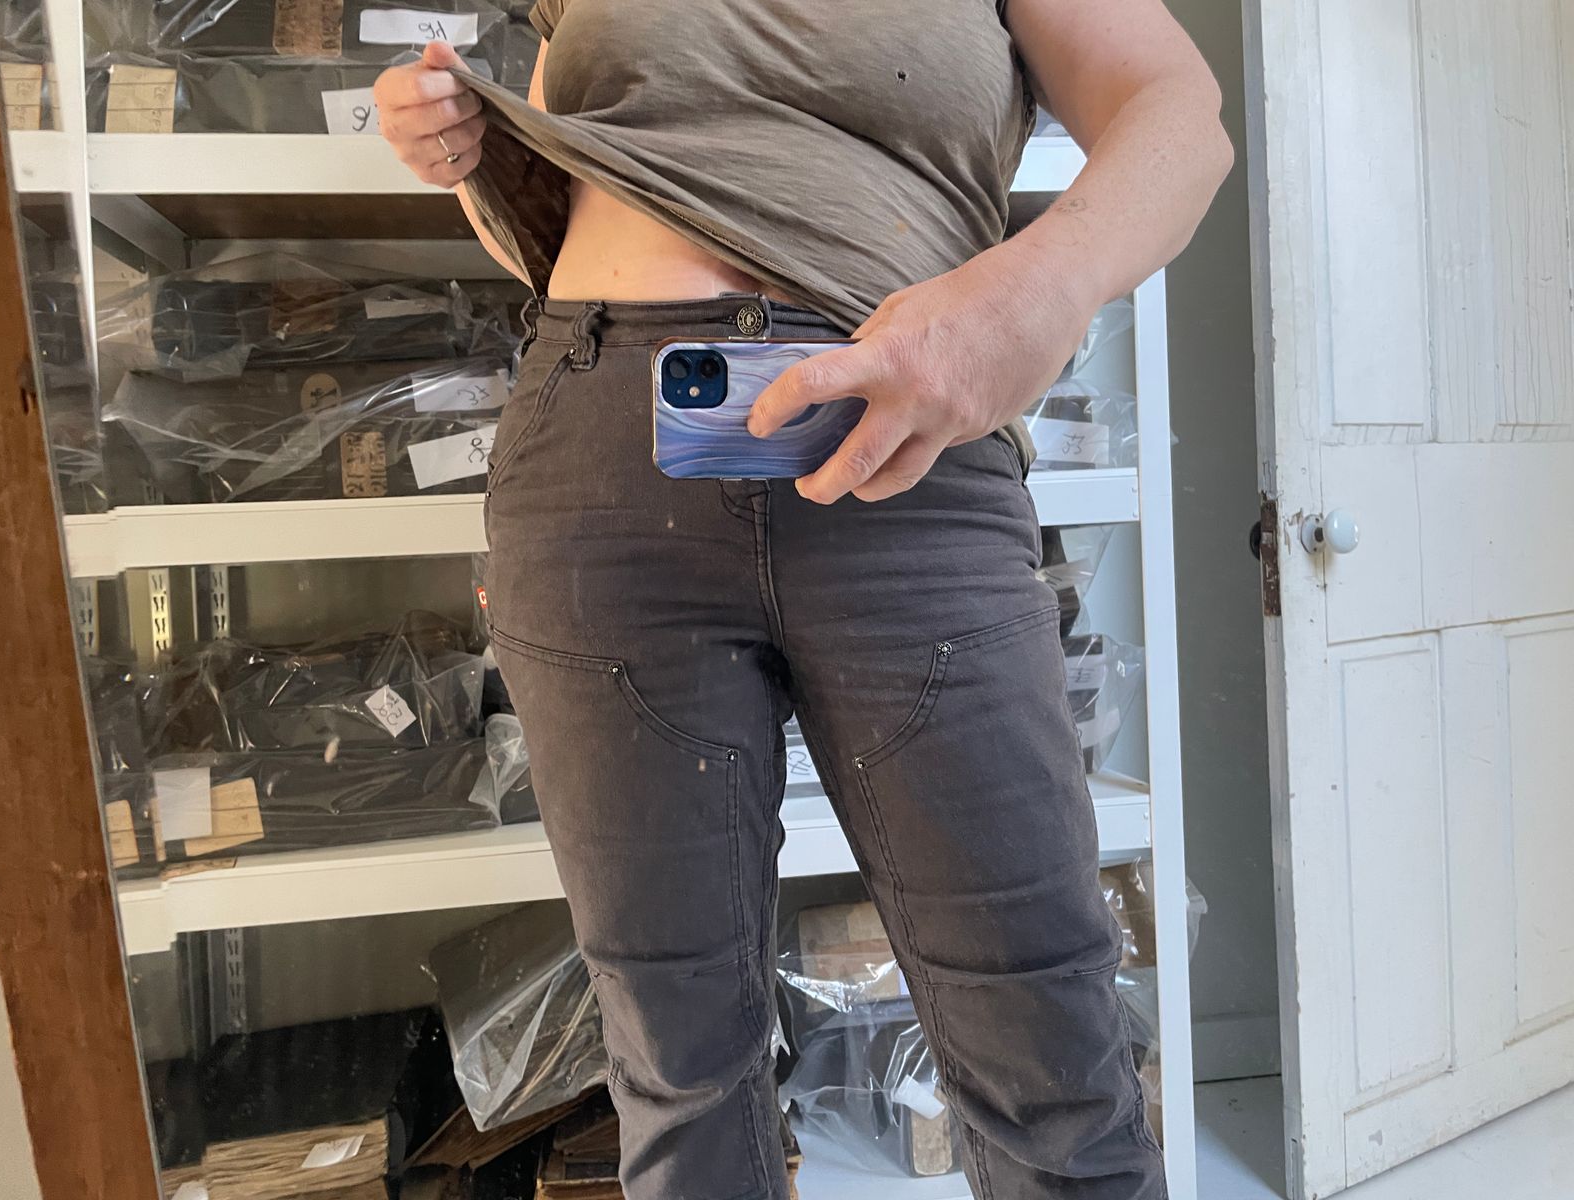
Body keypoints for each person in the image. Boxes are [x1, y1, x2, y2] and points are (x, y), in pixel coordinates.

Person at [375, 4, 1229, 1197]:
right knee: (676, 1066)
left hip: (909, 455)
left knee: (1047, 1049)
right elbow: (580, 190)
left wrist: (1034, 292)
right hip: (606, 451)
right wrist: (453, 146)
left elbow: (1179, 116)